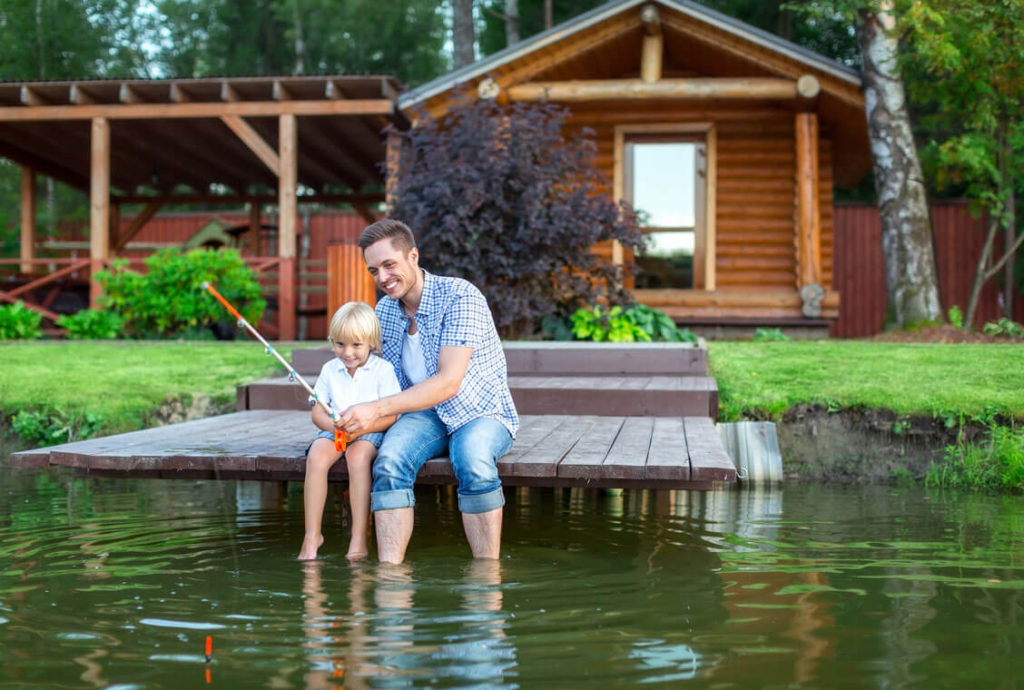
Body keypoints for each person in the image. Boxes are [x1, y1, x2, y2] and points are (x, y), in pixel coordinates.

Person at [340, 219, 519, 564]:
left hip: (479, 410)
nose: (382, 278)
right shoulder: (384, 311)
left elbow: (449, 382)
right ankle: (391, 579)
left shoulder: (460, 296)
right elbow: (373, 376)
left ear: (413, 256)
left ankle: (486, 575)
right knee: (389, 461)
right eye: (374, 270)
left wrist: (375, 409)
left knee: (473, 460)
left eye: (389, 264)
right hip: (421, 415)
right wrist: (342, 413)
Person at [299, 302, 400, 561]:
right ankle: (312, 535)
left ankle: (358, 536)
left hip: (370, 431)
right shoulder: (330, 370)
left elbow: (392, 416)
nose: (347, 352)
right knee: (316, 457)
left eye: (356, 345)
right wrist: (333, 427)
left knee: (357, 458)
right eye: (340, 344)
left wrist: (364, 427)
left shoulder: (383, 370)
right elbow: (317, 412)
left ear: (371, 343)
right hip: (336, 430)